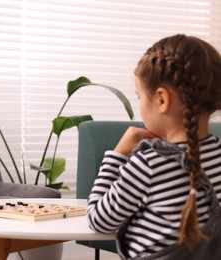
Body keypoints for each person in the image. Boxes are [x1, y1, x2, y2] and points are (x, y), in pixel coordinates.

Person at [87, 34, 221, 258]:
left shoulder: (148, 164)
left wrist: (117, 154)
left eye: (139, 96)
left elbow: (98, 220)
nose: (139, 103)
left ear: (161, 99)